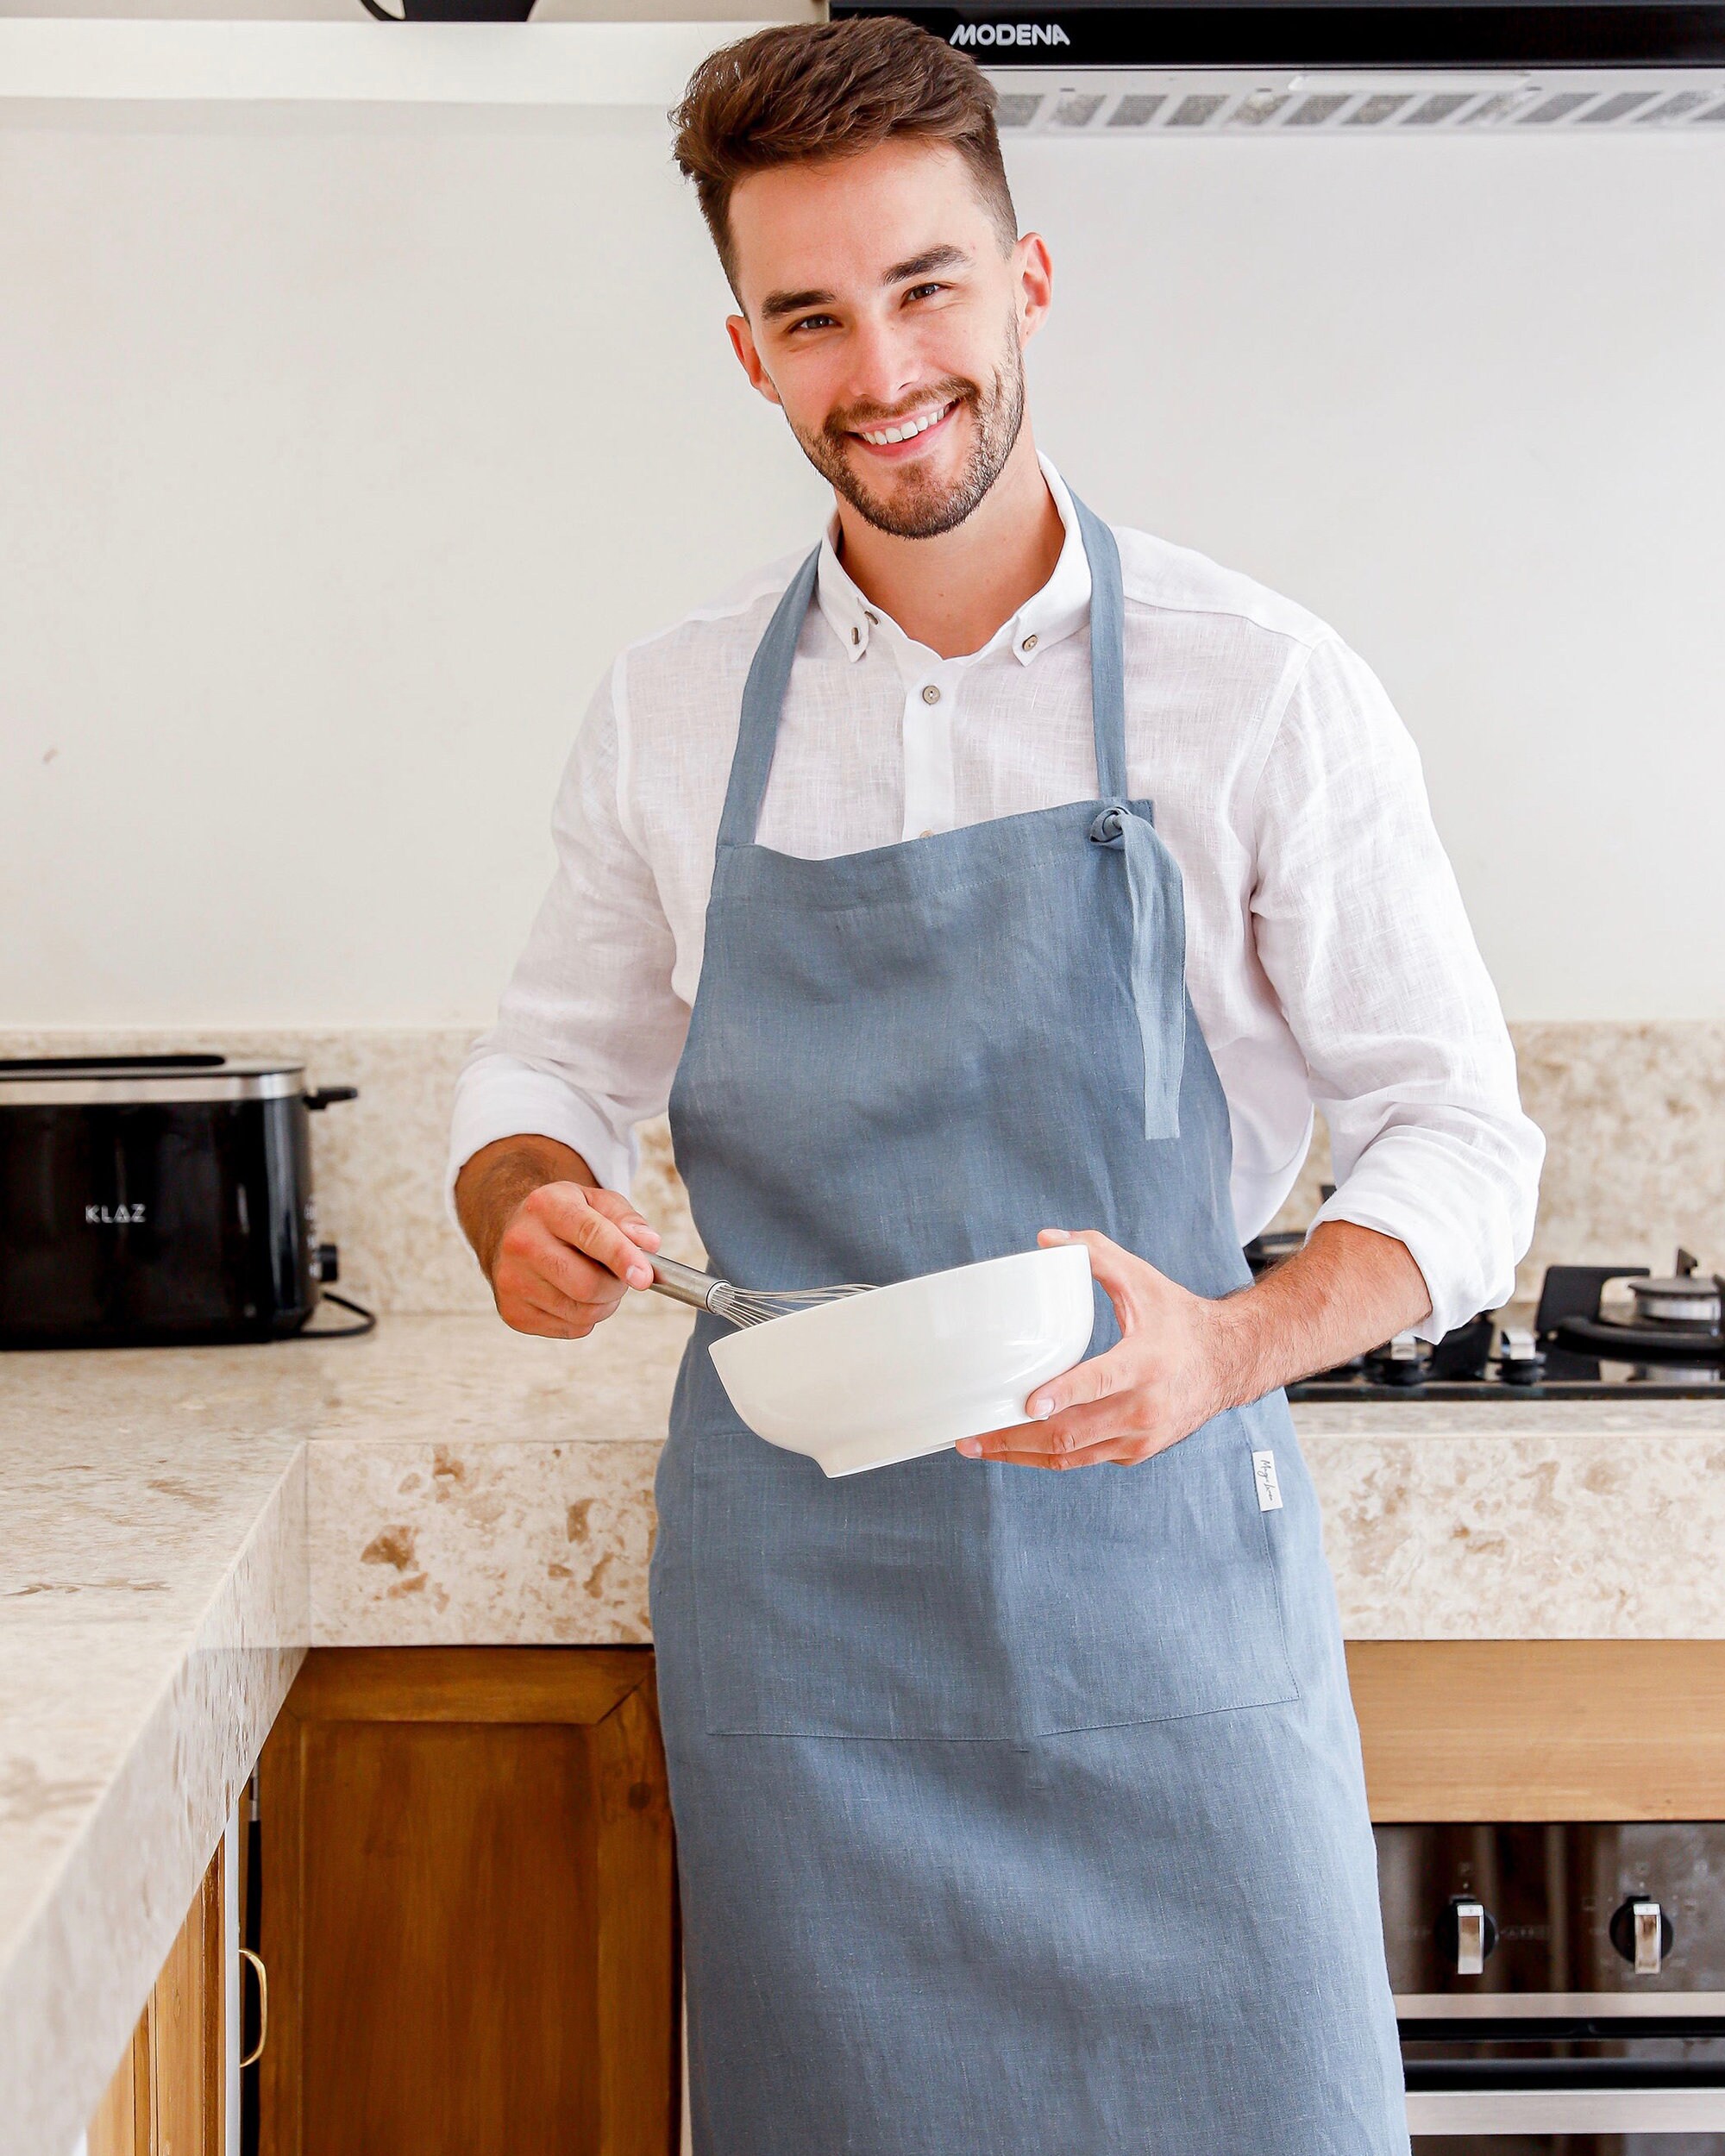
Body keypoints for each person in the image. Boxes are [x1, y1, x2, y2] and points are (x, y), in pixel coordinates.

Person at [449, 18, 1542, 2152]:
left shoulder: (1259, 685)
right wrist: (516, 1198)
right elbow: (542, 1070)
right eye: (811, 318)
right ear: (748, 352)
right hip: (811, 1643)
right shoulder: (672, 714)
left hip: (1161, 1607)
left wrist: (1237, 1340)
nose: (882, 370)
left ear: (1026, 282)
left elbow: (1460, 1128)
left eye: (927, 287)